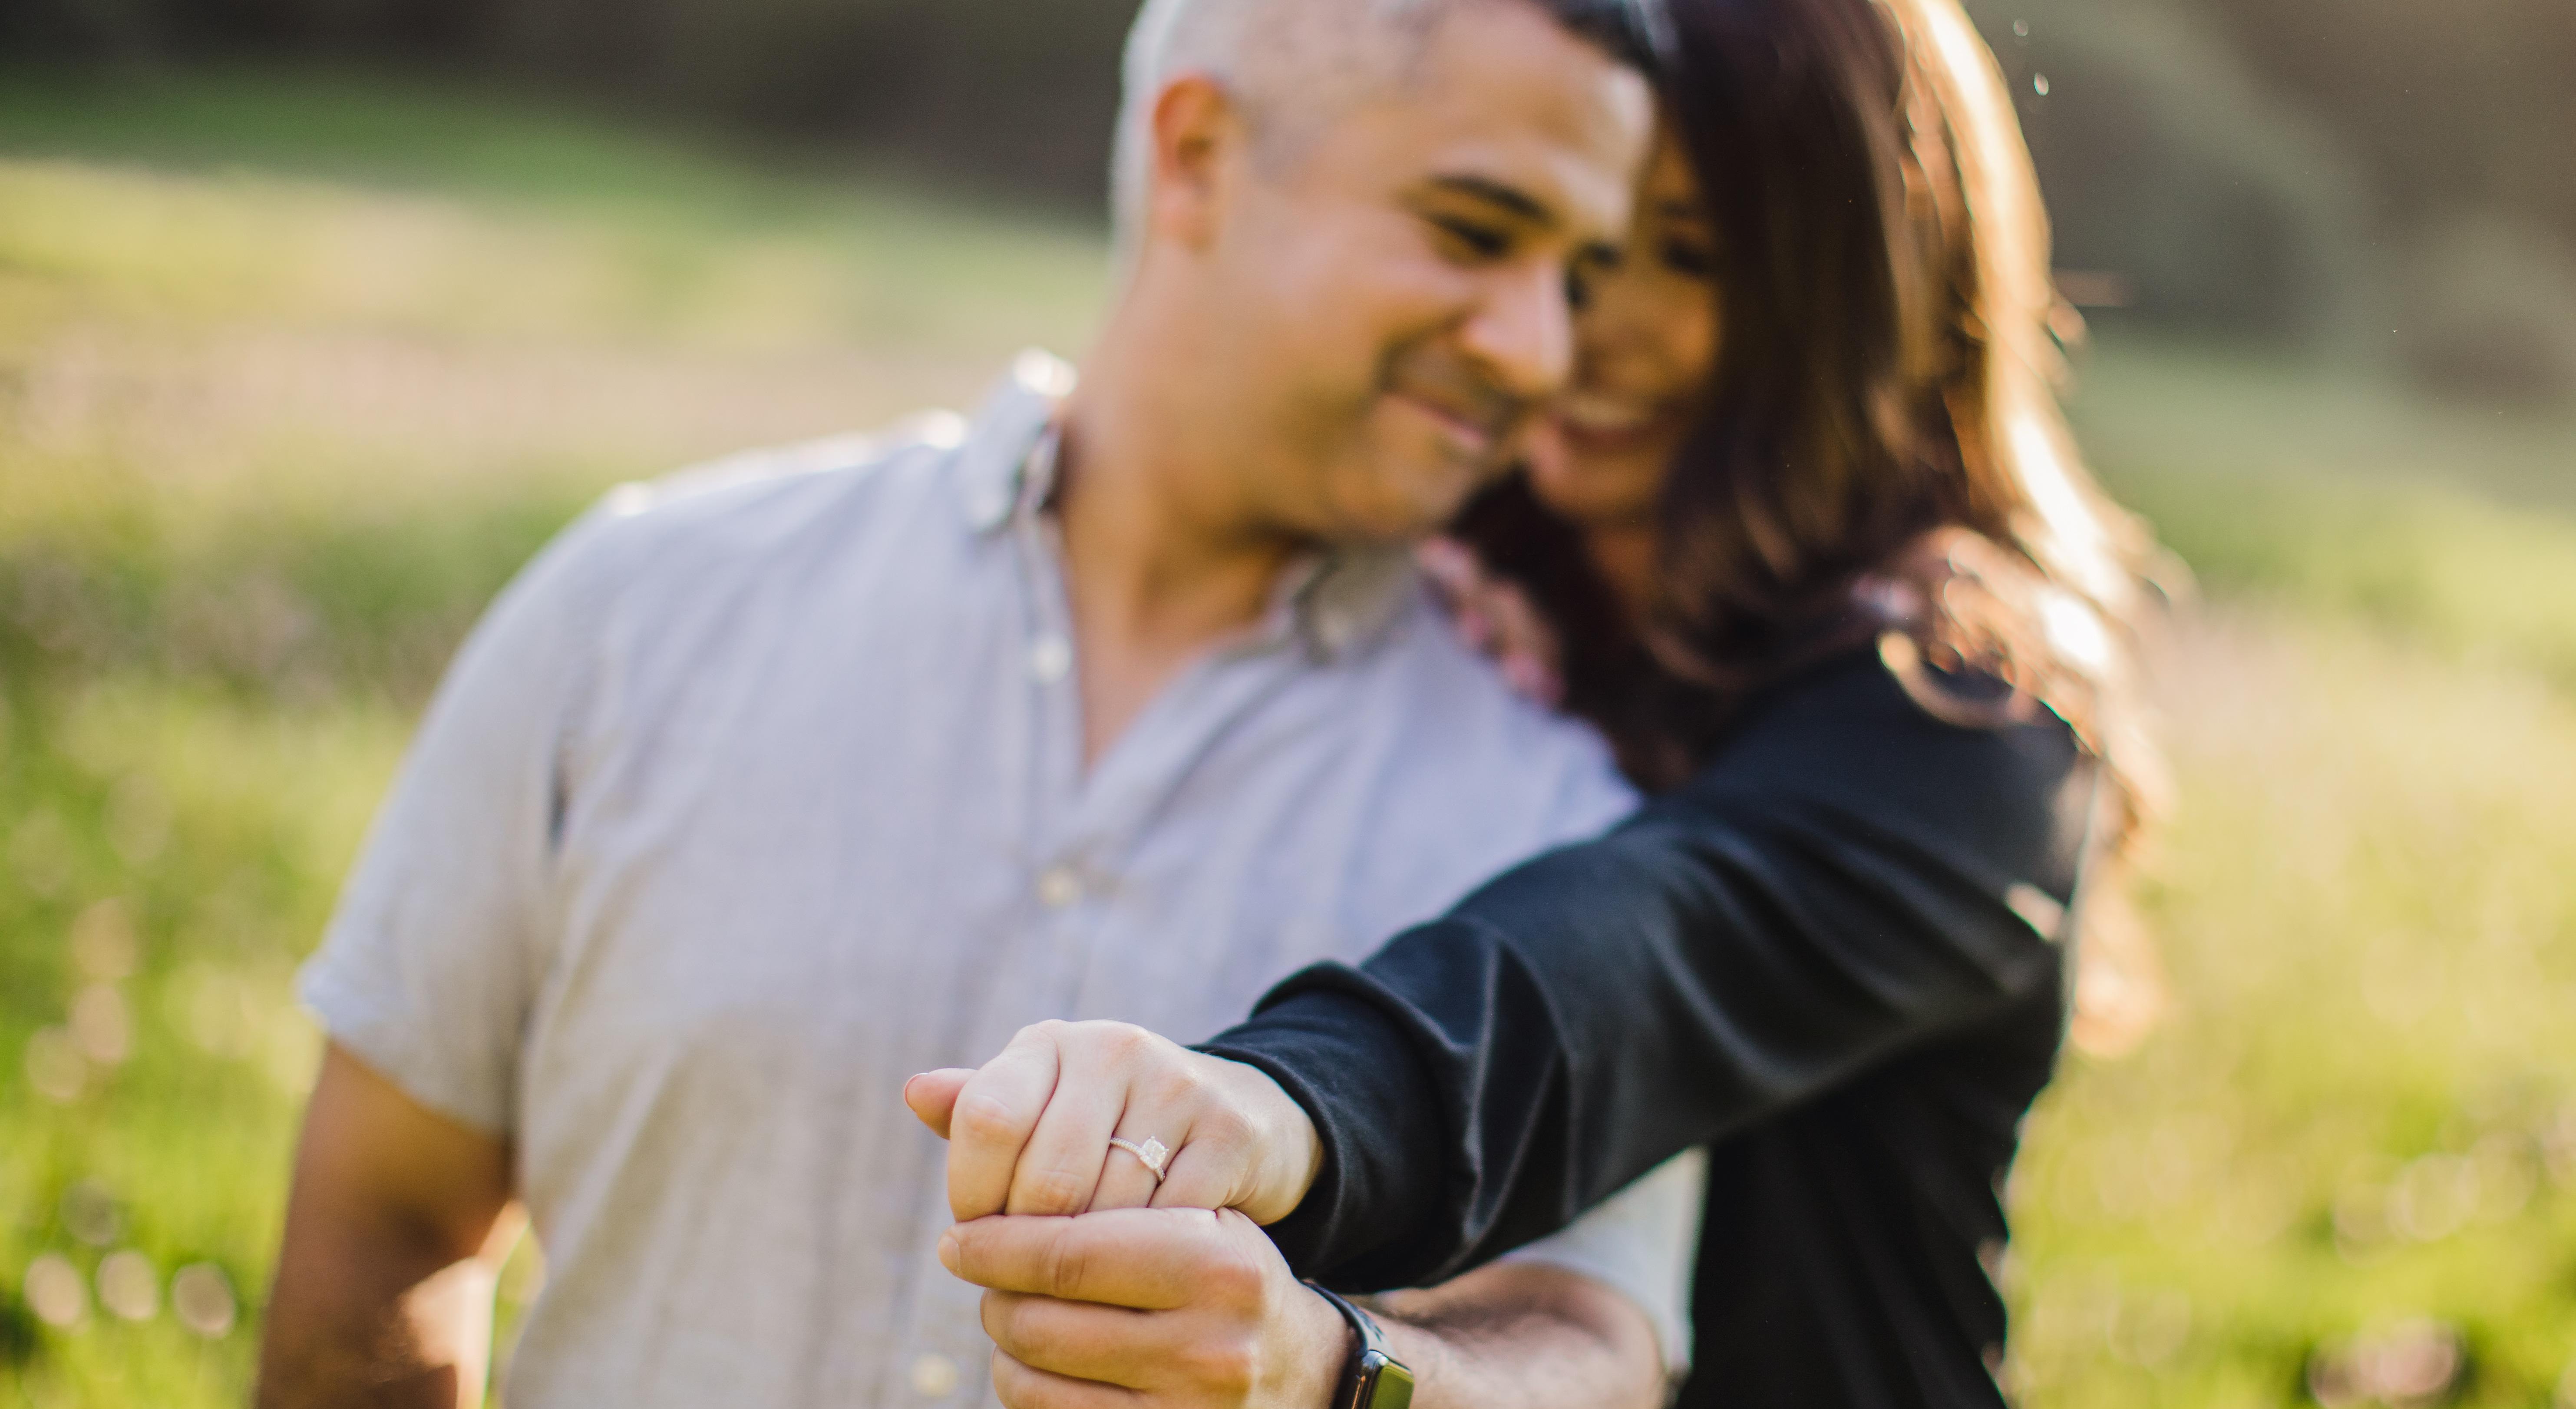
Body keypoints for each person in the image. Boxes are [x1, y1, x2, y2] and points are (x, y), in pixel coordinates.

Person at [253, 2, 1710, 1407]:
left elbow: (1596, 1340)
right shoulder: (638, 608)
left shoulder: (1570, 806)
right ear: (1197, 155)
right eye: (1473, 232)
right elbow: (384, 1222)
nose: (1541, 351)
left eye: (1577, 279)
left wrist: (1340, 1376)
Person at [910, 0, 2171, 1405]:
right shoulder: (1490, 599)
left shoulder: (1964, 710)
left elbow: (1632, 963)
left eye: (1683, 256)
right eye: (1578, 252)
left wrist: (1280, 1105)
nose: (1570, 334)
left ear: (1851, 294)